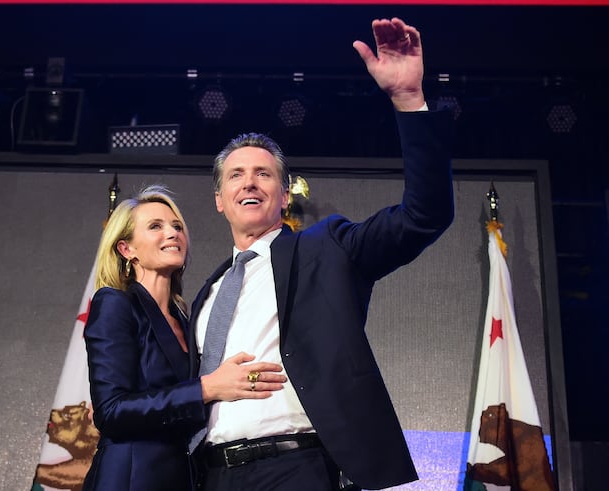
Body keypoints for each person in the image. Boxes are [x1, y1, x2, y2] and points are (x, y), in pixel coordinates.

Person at [188, 18, 455, 491]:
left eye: (263, 174)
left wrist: (408, 100)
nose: (249, 181)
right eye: (236, 175)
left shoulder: (328, 247)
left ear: (285, 195)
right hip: (209, 476)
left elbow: (424, 215)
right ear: (219, 199)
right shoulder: (207, 294)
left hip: (297, 468)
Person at [82, 185, 287, 491]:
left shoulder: (188, 319)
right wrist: (207, 387)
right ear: (127, 249)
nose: (173, 233)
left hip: (181, 478)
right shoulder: (115, 303)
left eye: (177, 226)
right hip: (131, 478)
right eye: (155, 226)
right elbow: (111, 412)